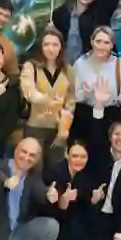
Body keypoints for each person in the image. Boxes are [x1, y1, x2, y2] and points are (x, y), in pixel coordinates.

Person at [70, 26, 121, 154]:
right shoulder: (80, 64)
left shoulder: (120, 66)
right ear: (92, 42)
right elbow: (73, 95)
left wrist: (113, 97)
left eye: (106, 42)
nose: (101, 46)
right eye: (98, 41)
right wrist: (86, 94)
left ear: (112, 45)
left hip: (111, 116)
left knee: (107, 155)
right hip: (85, 116)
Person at [43, 141, 96, 240]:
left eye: (83, 157)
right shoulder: (54, 171)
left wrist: (93, 199)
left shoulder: (87, 175)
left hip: (74, 214)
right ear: (67, 155)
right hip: (52, 214)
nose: (79, 160)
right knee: (68, 230)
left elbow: (85, 199)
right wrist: (63, 202)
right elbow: (47, 203)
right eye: (75, 156)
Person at [20, 28, 76, 158]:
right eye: (46, 44)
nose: (51, 49)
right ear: (41, 46)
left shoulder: (67, 69)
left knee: (56, 166)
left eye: (55, 45)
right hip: (35, 125)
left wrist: (64, 126)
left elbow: (71, 99)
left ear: (61, 47)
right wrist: (47, 100)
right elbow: (28, 91)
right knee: (34, 164)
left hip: (59, 129)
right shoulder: (31, 66)